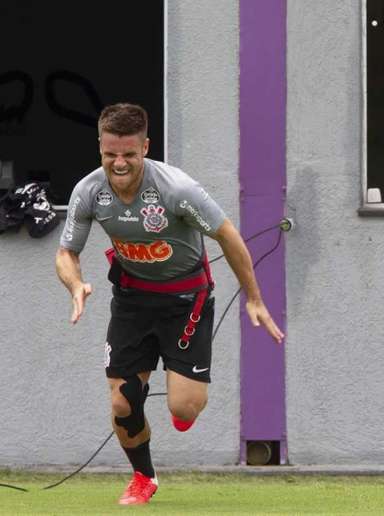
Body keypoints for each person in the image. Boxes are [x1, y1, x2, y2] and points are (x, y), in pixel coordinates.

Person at [55, 103, 284, 505]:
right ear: (100, 148)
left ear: (145, 147)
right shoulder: (88, 191)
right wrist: (75, 285)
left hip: (185, 304)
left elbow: (228, 236)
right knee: (124, 400)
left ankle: (182, 404)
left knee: (185, 407)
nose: (119, 163)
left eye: (129, 154)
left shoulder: (177, 190)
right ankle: (144, 477)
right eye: (111, 154)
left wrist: (255, 296)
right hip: (132, 302)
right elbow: (66, 252)